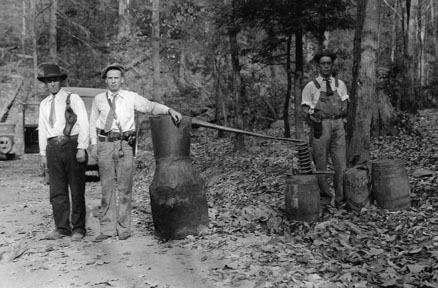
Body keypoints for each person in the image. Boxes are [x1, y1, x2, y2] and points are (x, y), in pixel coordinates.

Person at [90, 63, 182, 241]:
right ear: (106, 81)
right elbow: (93, 121)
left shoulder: (130, 97)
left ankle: (124, 227)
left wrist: (168, 110)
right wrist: (93, 144)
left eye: (116, 78)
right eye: (110, 78)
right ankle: (108, 228)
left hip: (125, 144)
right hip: (105, 144)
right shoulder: (99, 99)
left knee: (124, 188)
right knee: (106, 187)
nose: (113, 81)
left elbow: (150, 106)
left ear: (122, 80)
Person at [38, 63, 89, 241]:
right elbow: (43, 129)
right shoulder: (44, 104)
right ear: (45, 83)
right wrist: (43, 154)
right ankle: (61, 228)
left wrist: (82, 147)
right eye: (49, 81)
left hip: (71, 143)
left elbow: (83, 122)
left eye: (55, 80)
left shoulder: (72, 98)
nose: (52, 84)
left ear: (60, 81)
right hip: (53, 147)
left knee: (76, 188)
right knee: (57, 190)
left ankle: (79, 228)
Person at [301, 50, 349, 209]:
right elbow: (305, 108)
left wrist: (343, 114)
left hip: (338, 126)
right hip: (320, 127)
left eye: (329, 63)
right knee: (320, 164)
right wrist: (312, 117)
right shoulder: (311, 86)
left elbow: (345, 104)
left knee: (341, 165)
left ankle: (341, 200)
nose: (326, 66)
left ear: (332, 64)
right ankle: (325, 199)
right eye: (323, 63)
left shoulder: (340, 84)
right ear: (318, 65)